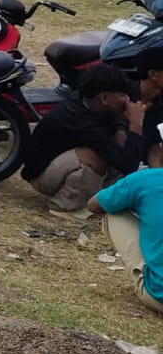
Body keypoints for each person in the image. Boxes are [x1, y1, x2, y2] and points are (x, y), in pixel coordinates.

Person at [21, 64, 143, 215]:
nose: (127, 100)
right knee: (92, 157)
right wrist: (136, 125)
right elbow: (127, 165)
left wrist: (120, 131)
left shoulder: (91, 102)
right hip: (41, 175)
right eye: (123, 95)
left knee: (118, 148)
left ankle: (98, 198)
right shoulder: (78, 119)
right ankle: (65, 206)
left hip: (61, 164)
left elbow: (117, 128)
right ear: (104, 98)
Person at [89, 129, 163, 315]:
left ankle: (151, 275)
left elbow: (94, 205)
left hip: (159, 296)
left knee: (113, 213)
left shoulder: (145, 180)